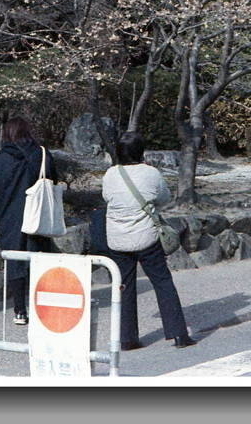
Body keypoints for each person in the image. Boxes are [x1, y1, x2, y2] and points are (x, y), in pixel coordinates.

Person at [103, 131, 195, 350]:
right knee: (162, 282)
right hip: (146, 237)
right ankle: (178, 334)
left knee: (124, 286)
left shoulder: (110, 175)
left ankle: (127, 339)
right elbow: (164, 198)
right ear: (141, 152)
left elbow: (107, 197)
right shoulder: (151, 173)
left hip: (117, 238)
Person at [0, 117, 57, 326]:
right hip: (38, 216)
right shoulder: (41, 154)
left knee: (15, 262)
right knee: (39, 260)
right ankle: (41, 308)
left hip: (9, 217)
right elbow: (54, 179)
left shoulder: (1, 158)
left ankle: (19, 311)